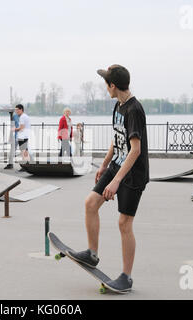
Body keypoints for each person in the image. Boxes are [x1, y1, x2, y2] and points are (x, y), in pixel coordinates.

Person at [67, 65, 149, 293]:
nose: (105, 88)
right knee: (90, 203)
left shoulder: (134, 109)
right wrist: (104, 165)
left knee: (124, 223)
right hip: (116, 166)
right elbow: (117, 137)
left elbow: (135, 150)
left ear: (113, 86)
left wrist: (116, 181)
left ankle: (126, 277)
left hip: (133, 173)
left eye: (106, 84)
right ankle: (92, 254)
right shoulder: (118, 106)